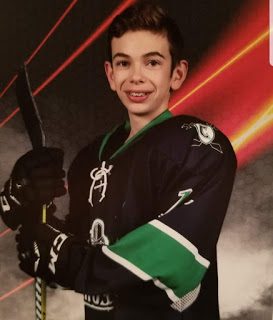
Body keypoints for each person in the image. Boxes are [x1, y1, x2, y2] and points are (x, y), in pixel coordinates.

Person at [0, 2, 237, 319]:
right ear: (111, 74)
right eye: (124, 63)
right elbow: (86, 249)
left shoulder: (198, 145)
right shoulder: (90, 159)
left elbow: (175, 256)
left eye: (152, 62)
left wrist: (64, 257)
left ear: (176, 73)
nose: (136, 76)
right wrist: (30, 209)